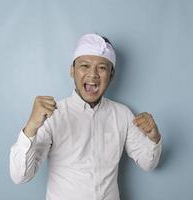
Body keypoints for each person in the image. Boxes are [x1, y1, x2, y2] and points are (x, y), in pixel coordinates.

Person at [10, 33, 162, 200]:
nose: (93, 74)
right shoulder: (52, 114)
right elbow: (20, 176)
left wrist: (154, 137)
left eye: (102, 67)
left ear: (111, 75)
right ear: (72, 70)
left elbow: (148, 163)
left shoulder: (123, 114)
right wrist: (31, 126)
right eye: (84, 66)